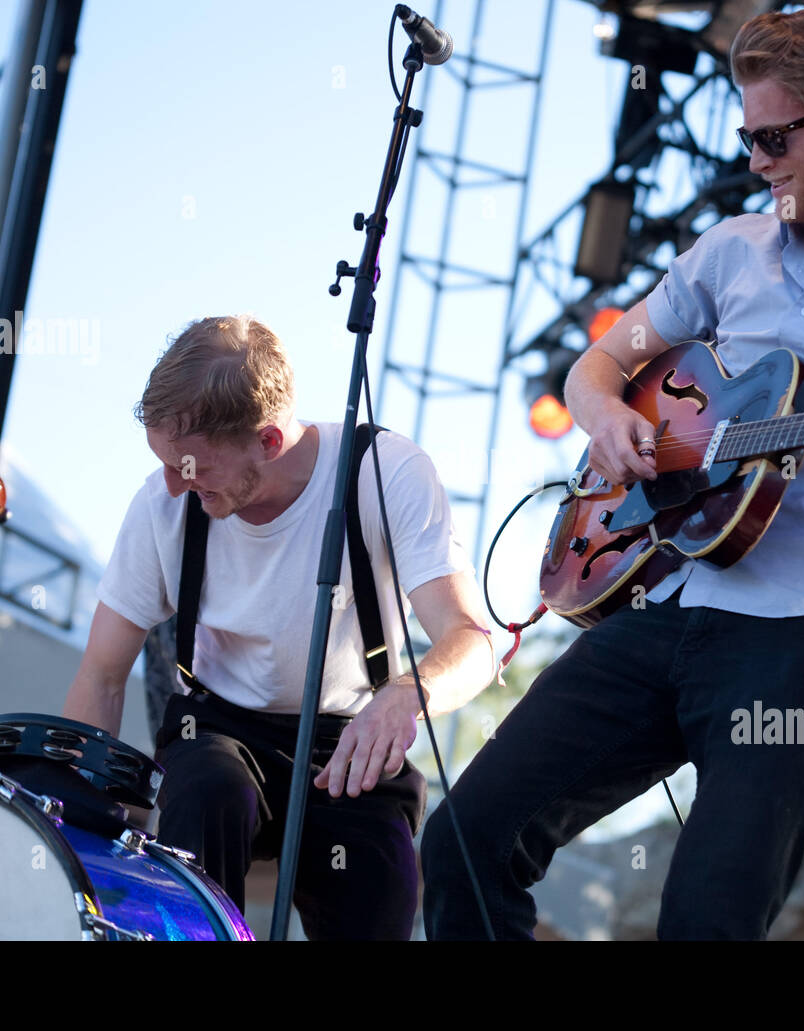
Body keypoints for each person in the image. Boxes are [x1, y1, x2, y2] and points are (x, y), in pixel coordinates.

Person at [421, 1, 804, 940]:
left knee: (707, 920)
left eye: (775, 137)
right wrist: (611, 416)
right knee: (463, 836)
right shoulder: (729, 249)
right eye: (746, 137)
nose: (754, 160)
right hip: (665, 600)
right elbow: (593, 368)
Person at [62, 314, 495, 940]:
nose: (172, 484)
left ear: (268, 441)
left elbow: (472, 640)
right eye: (165, 463)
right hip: (218, 727)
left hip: (351, 738)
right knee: (208, 790)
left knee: (378, 889)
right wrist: (76, 822)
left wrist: (408, 692)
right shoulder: (163, 504)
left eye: (193, 468)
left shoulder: (387, 471)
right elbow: (101, 674)